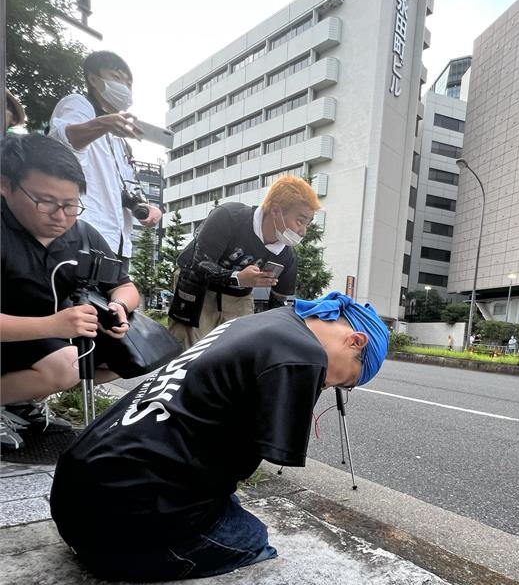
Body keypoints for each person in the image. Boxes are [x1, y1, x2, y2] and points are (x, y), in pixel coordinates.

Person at [49, 291, 389, 582]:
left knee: (225, 505)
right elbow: (254, 455)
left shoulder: (267, 321)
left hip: (75, 493)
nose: (332, 385)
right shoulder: (305, 355)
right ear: (355, 341)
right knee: (254, 539)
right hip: (117, 527)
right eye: (345, 381)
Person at [0, 134, 140, 448]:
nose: (60, 216)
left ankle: (19, 400)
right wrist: (52, 326)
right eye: (46, 201)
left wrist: (118, 305)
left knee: (128, 355)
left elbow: (125, 285)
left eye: (70, 204)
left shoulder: (82, 236)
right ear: (5, 184)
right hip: (17, 336)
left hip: (40, 341)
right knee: (66, 365)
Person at [168, 176, 320, 352]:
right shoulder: (229, 216)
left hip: (238, 296)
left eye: (307, 224)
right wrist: (238, 277)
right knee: (188, 350)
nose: (303, 231)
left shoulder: (286, 256)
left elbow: (278, 303)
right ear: (276, 210)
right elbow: (200, 263)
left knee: (236, 349)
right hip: (196, 282)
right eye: (300, 221)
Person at [48, 50, 162, 261]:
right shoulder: (80, 105)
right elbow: (64, 141)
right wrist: (102, 124)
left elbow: (123, 190)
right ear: (93, 78)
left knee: (117, 294)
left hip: (118, 243)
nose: (125, 88)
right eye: (117, 78)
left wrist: (144, 206)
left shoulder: (120, 141)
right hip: (80, 233)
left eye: (129, 83)